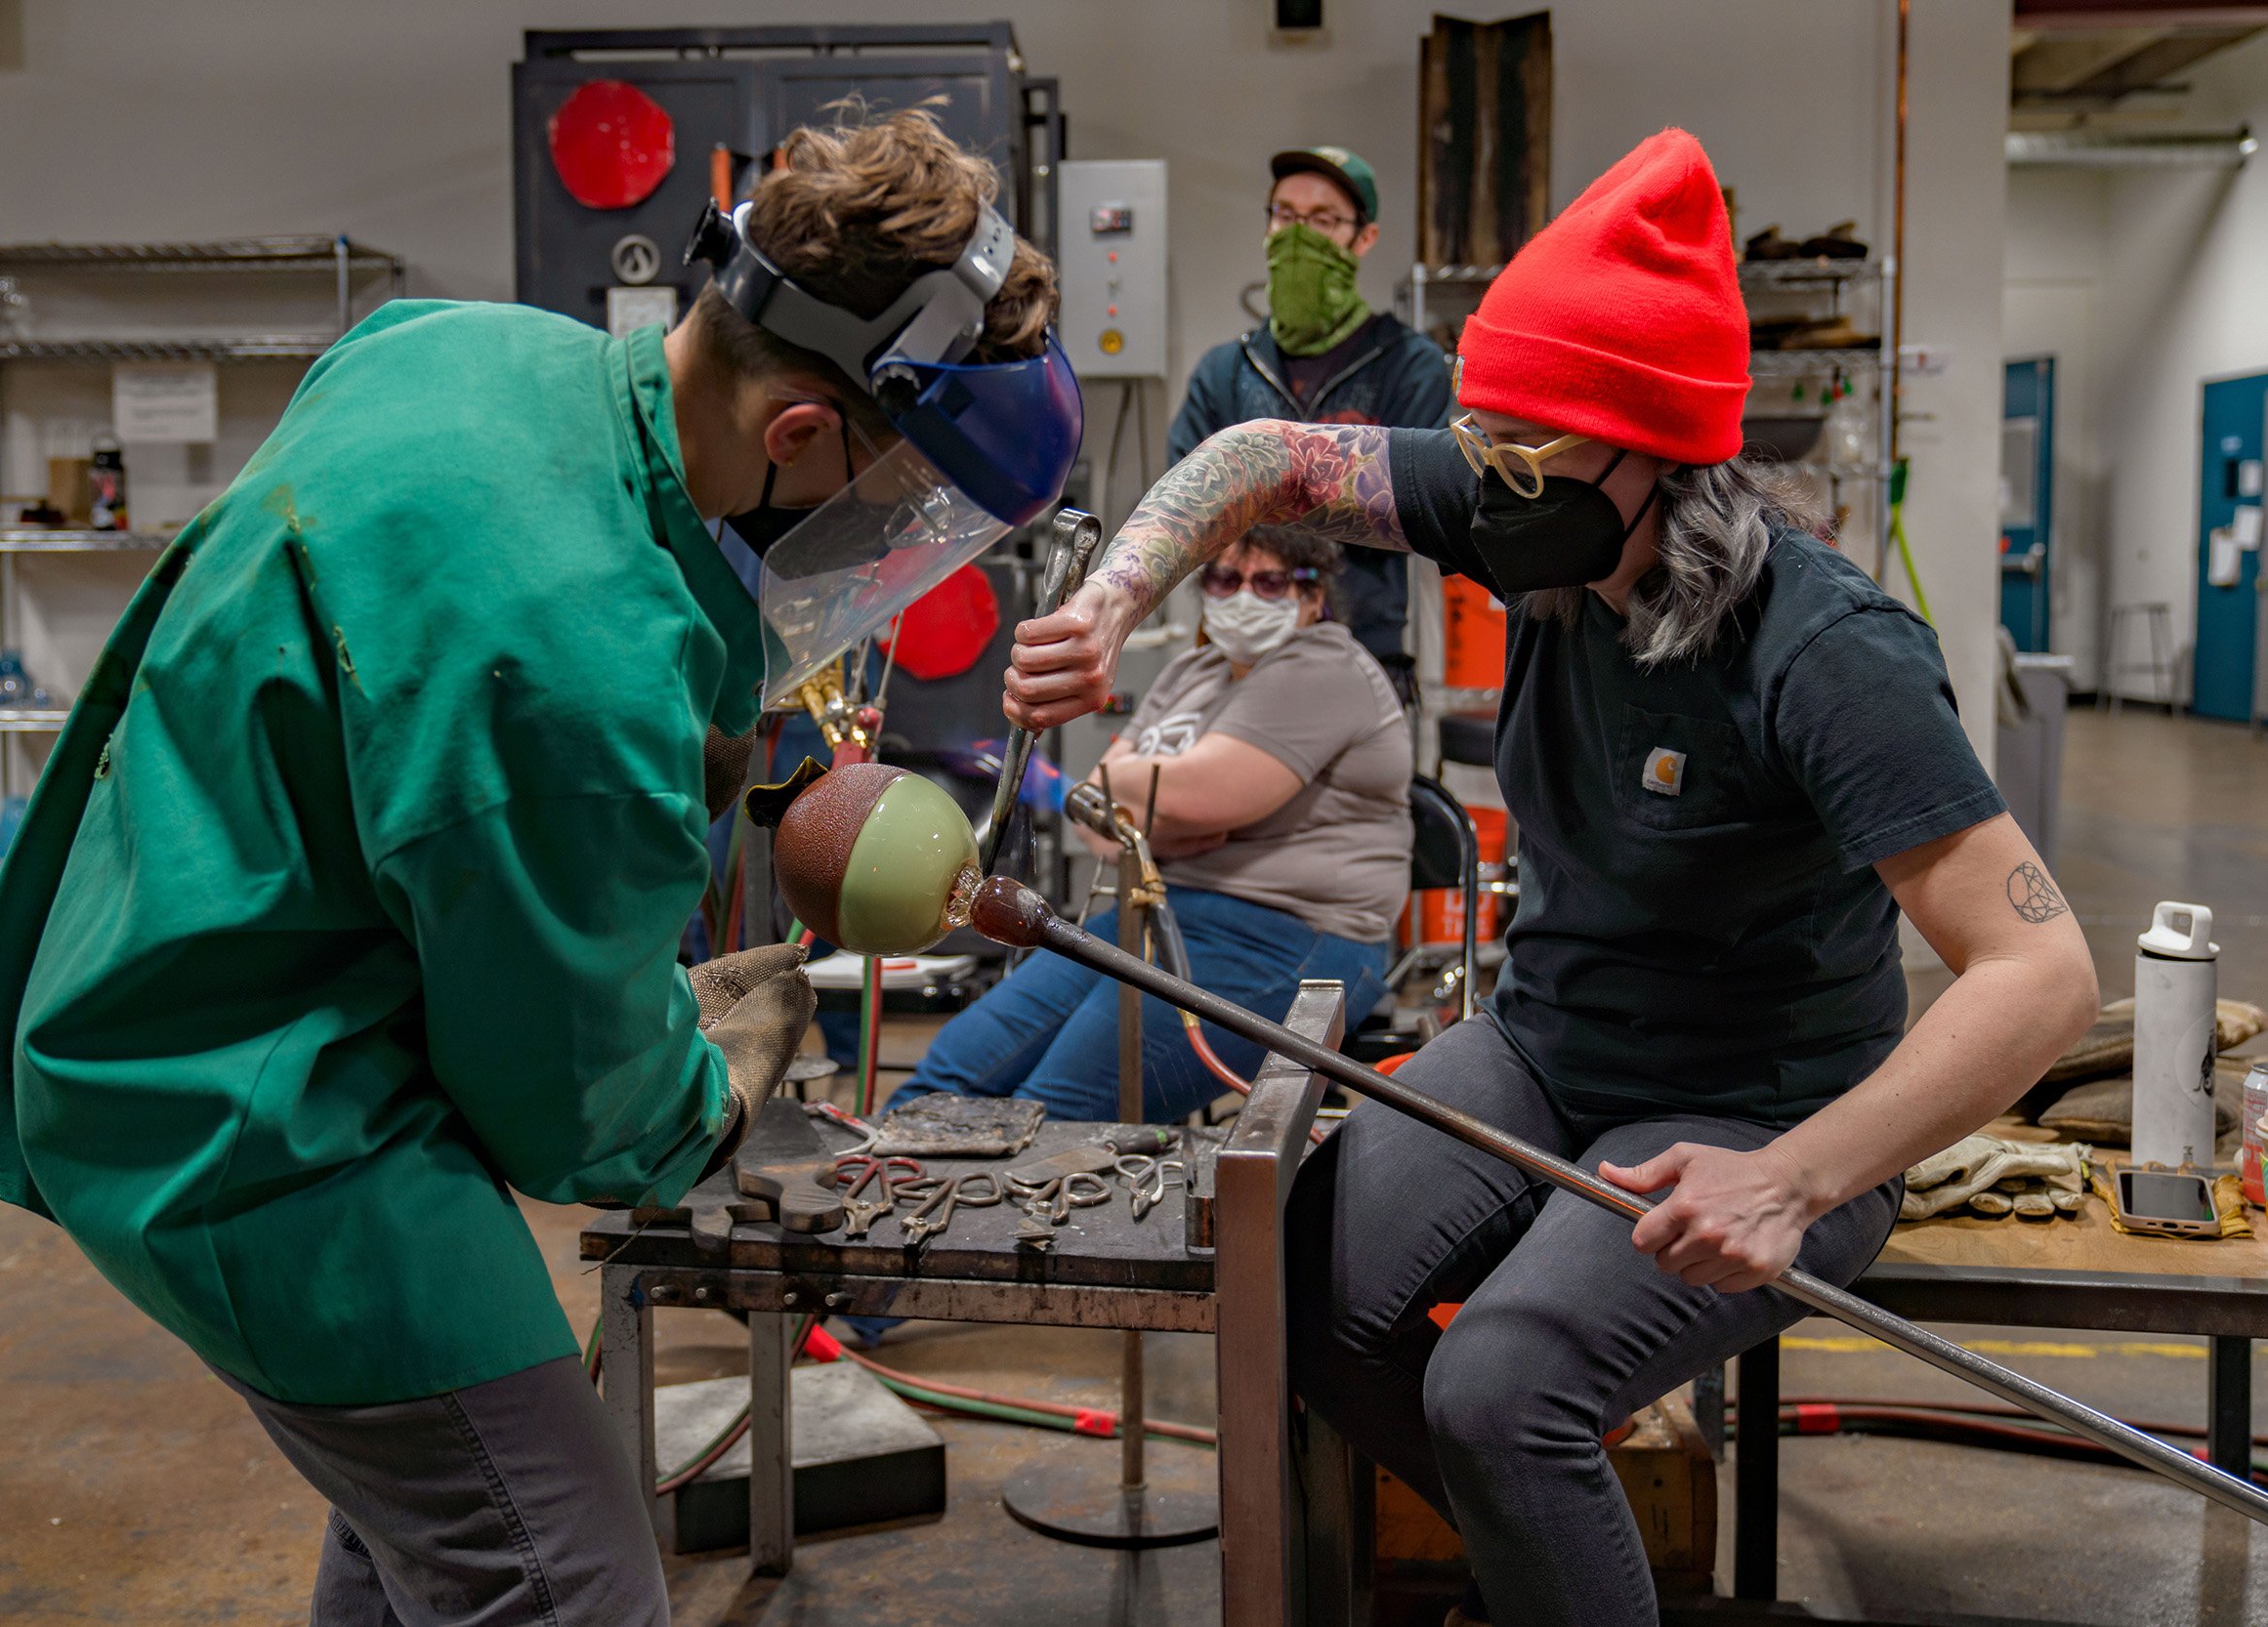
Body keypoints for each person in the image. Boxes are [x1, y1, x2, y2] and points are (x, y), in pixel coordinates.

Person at [0, 109, 1078, 1627]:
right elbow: (569, 1101)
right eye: (896, 505)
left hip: (206, 979)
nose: (885, 547)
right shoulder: (577, 671)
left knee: (431, 1523)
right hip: (262, 1117)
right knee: (563, 1581)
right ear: (800, 435)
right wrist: (707, 1102)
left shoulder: (456, 349)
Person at [1003, 129, 2097, 1627]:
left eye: (1529, 460)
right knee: (1289, 1291)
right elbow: (1256, 459)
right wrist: (1112, 597)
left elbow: (2043, 971)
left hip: (1758, 1106)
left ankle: (1556, 1557)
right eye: (1481, 450)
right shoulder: (1538, 493)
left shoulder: (1826, 655)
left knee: (1501, 1385)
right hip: (1547, 1046)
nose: (1486, 494)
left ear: (1660, 451)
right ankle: (1560, 1576)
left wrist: (1794, 1175)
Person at [891, 525, 1409, 1123]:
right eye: (1224, 578)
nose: (1242, 596)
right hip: (1154, 910)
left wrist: (1159, 807)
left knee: (1058, 1112)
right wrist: (1165, 808)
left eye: (1268, 582)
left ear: (1313, 596)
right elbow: (1099, 813)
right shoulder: (1193, 670)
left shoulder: (1322, 666)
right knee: (945, 1079)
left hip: (1286, 937)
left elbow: (1198, 797)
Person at [1168, 145, 1453, 693]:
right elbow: (1187, 503)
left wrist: (1256, 493)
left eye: (1323, 220)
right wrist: (1329, 493)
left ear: (1363, 238)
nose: (1300, 234)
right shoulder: (1226, 371)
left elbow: (1414, 507)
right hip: (1236, 655)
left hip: (1364, 655)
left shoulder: (1408, 366)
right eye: (1286, 215)